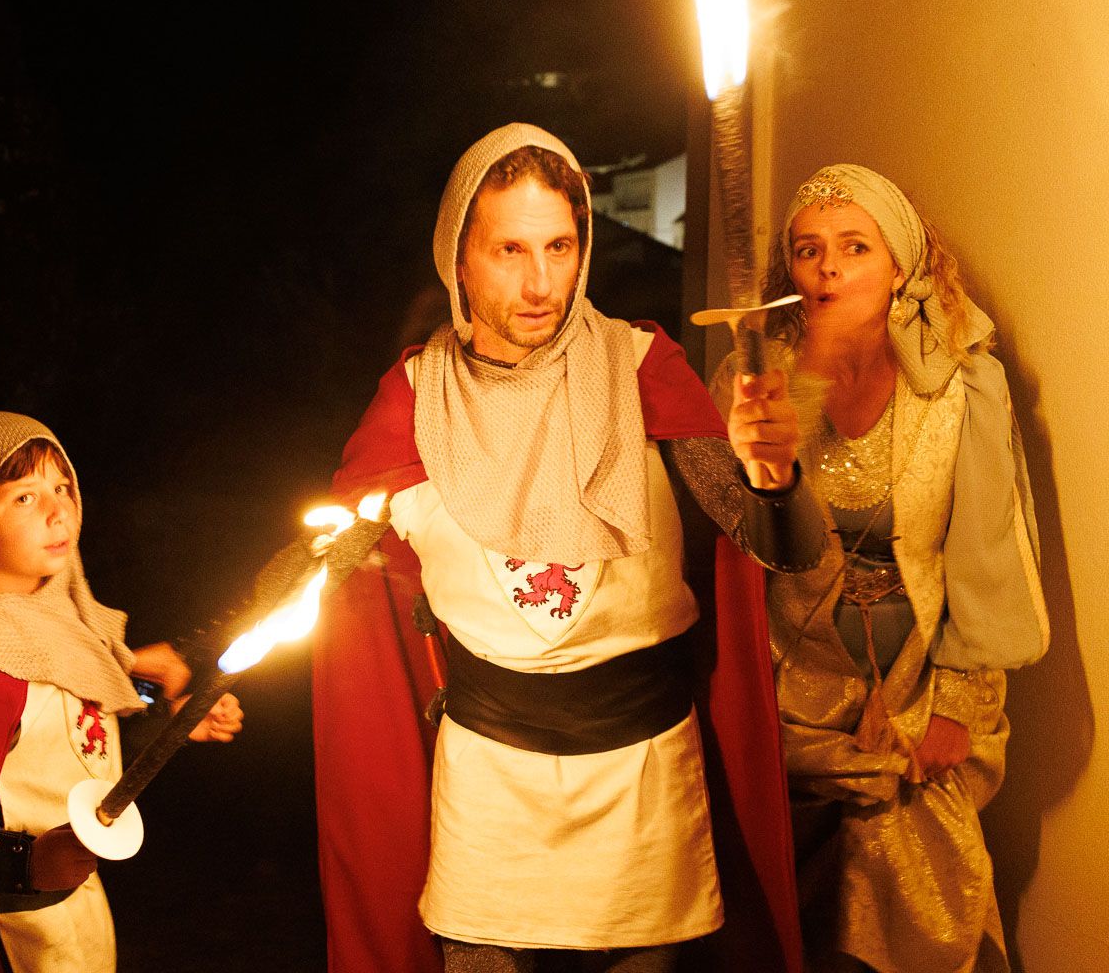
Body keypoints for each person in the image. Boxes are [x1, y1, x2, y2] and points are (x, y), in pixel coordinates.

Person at [313, 123, 829, 973]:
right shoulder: (411, 404)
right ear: (460, 260)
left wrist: (775, 479)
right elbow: (334, 569)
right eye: (509, 249)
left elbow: (786, 548)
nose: (540, 281)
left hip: (642, 777)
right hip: (489, 783)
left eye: (559, 246)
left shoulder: (642, 369)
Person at [713, 165, 1049, 973]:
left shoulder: (964, 387)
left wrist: (959, 709)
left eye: (854, 247)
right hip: (789, 704)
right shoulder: (753, 383)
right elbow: (736, 555)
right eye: (808, 250)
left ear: (902, 263)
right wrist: (766, 460)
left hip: (913, 705)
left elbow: (986, 557)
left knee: (918, 927)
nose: (827, 268)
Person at [0, 412, 243, 973]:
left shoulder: (69, 631)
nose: (57, 509)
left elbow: (77, 742)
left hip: (79, 915)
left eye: (62, 487)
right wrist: (31, 863)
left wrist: (171, 724)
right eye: (23, 497)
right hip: (1, 932)